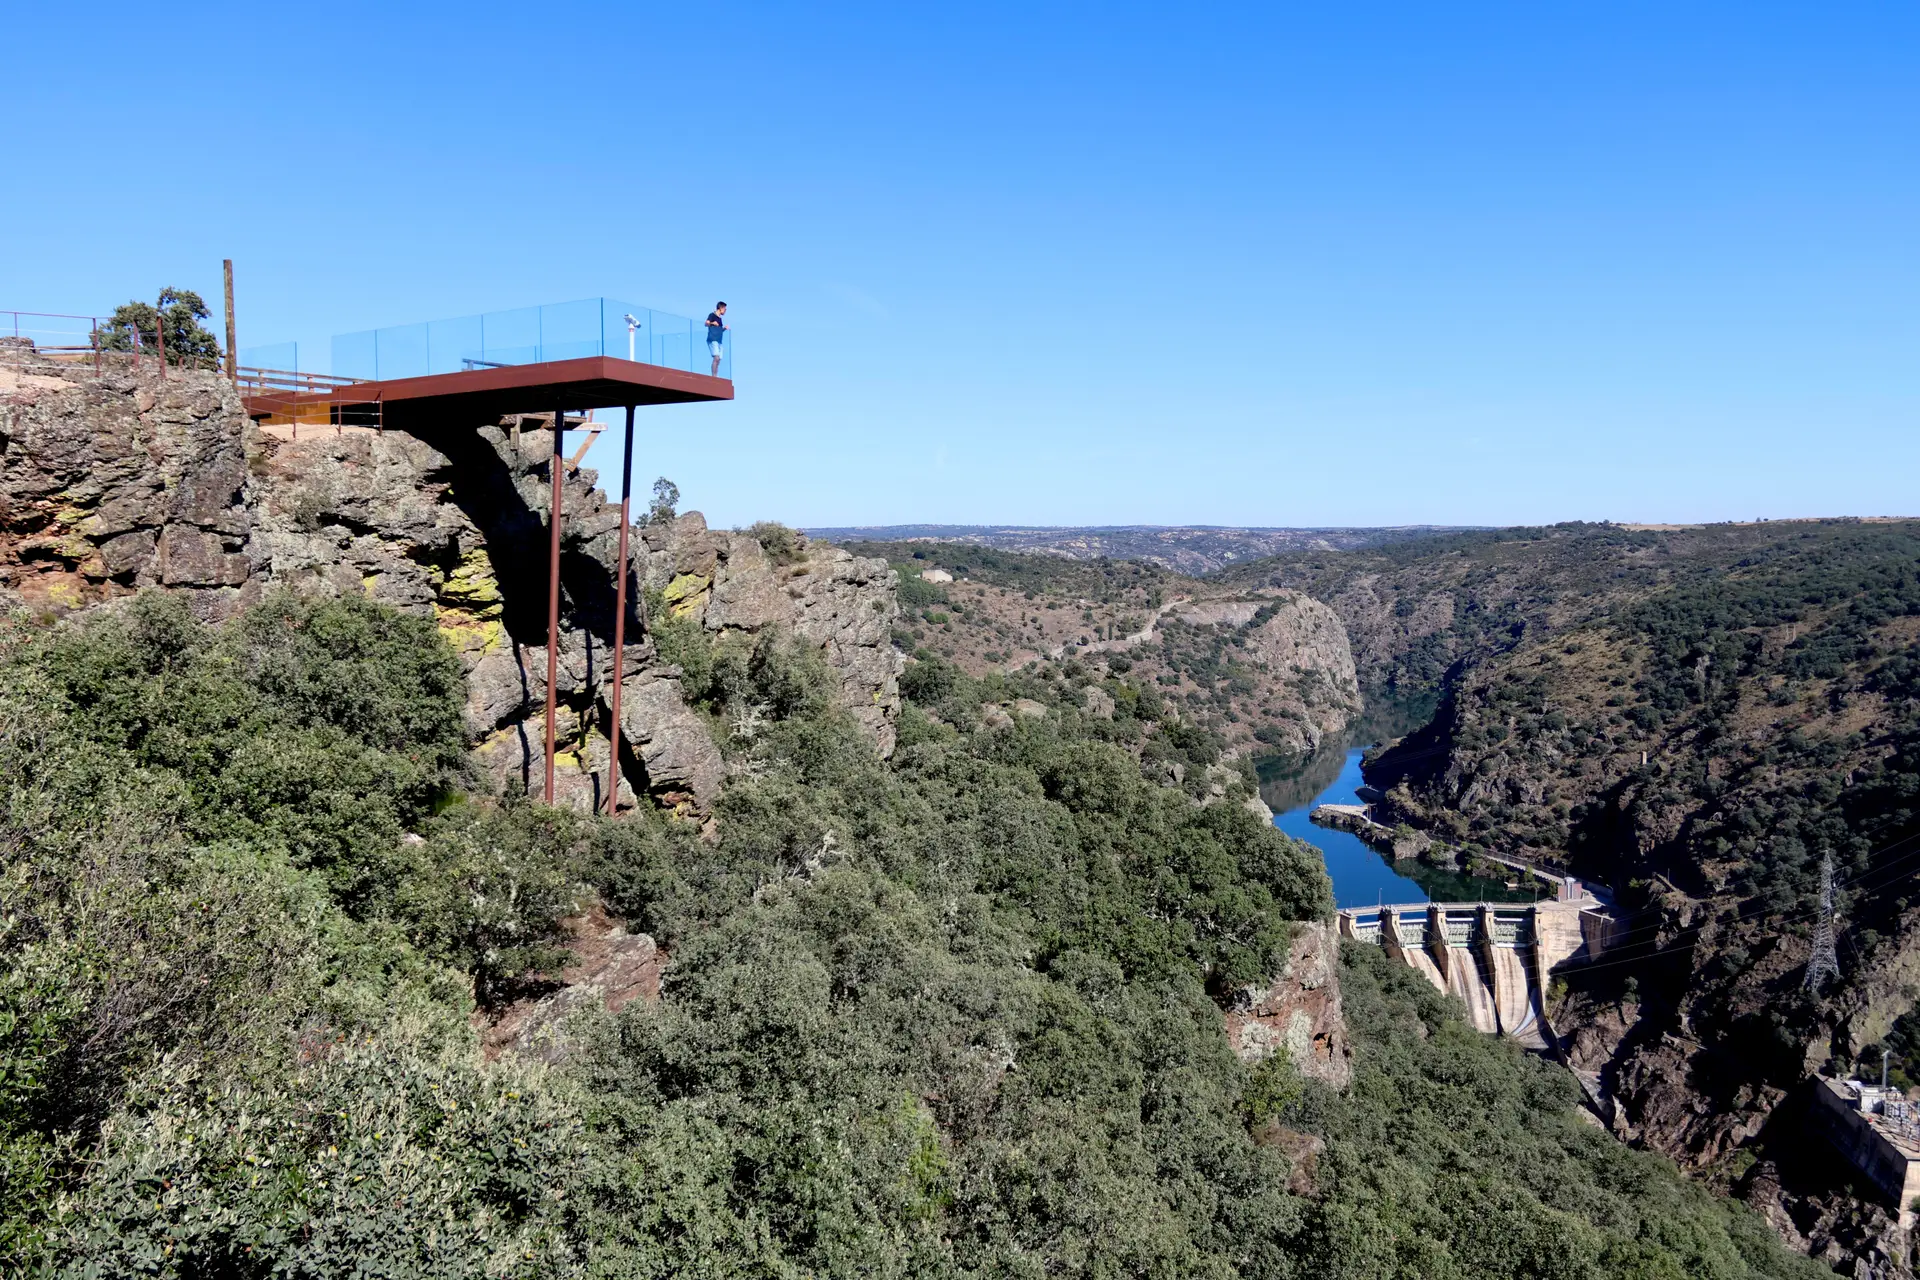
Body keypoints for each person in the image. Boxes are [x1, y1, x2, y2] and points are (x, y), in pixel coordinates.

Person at [705, 302, 728, 376]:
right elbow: (706, 323)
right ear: (720, 308)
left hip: (719, 341)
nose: (725, 311)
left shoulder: (720, 319)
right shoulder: (712, 315)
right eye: (724, 309)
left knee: (718, 360)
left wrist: (724, 329)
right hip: (713, 339)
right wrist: (712, 323)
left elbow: (719, 330)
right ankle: (714, 376)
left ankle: (716, 376)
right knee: (716, 357)